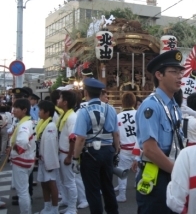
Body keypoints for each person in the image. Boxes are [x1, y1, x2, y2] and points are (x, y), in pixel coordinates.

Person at [135, 49, 185, 214]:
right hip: (156, 176)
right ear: (159, 75)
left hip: (171, 172)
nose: (179, 76)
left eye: (180, 72)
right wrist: (177, 171)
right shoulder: (151, 106)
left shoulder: (173, 106)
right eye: (173, 72)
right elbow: (150, 149)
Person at [72, 77, 119, 214]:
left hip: (90, 153)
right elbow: (116, 134)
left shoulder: (83, 111)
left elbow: (80, 138)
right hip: (108, 151)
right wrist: (115, 151)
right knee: (108, 187)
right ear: (100, 93)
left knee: (93, 190)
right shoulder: (110, 109)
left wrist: (75, 158)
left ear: (86, 93)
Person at [8, 98, 36, 213]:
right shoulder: (28, 121)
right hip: (28, 159)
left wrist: (14, 148)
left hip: (21, 161)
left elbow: (23, 142)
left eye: (16, 108)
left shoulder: (24, 124)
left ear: (24, 110)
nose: (13, 110)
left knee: (22, 192)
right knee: (24, 190)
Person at [36, 100, 60, 214]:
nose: (39, 112)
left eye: (41, 110)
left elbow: (50, 146)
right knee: (44, 183)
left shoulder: (50, 126)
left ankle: (54, 209)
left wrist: (49, 163)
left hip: (48, 160)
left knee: (51, 183)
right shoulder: (42, 123)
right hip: (42, 159)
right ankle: (47, 207)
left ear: (47, 112)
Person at [57, 90, 78, 214]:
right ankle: (66, 201)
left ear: (65, 102)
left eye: (60, 99)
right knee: (64, 180)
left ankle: (72, 208)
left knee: (70, 181)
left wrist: (70, 156)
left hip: (67, 153)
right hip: (62, 151)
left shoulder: (71, 117)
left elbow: (73, 138)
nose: (57, 101)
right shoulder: (65, 114)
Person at [114, 92, 137, 203]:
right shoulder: (138, 114)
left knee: (122, 171)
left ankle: (122, 194)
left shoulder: (117, 117)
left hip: (124, 148)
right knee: (140, 169)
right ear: (134, 102)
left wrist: (116, 146)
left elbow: (116, 134)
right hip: (138, 148)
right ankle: (138, 185)